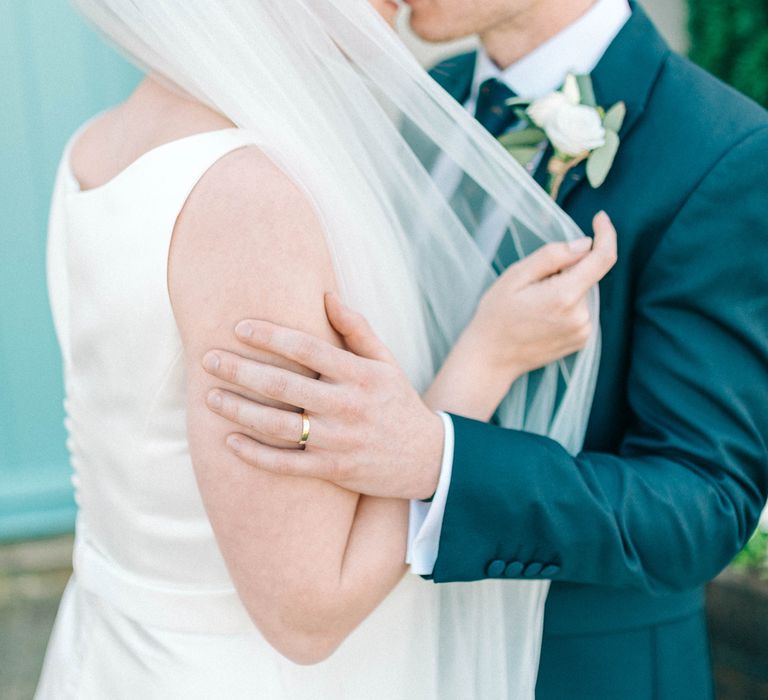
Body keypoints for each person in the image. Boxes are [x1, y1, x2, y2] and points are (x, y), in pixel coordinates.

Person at [35, 0, 617, 698]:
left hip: (119, 652)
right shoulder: (243, 198)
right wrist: (485, 359)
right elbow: (308, 613)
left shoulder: (103, 139)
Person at [207, 1, 768, 698]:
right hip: (388, 653)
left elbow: (701, 507)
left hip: (580, 671)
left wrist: (438, 461)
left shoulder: (723, 151)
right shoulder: (419, 101)